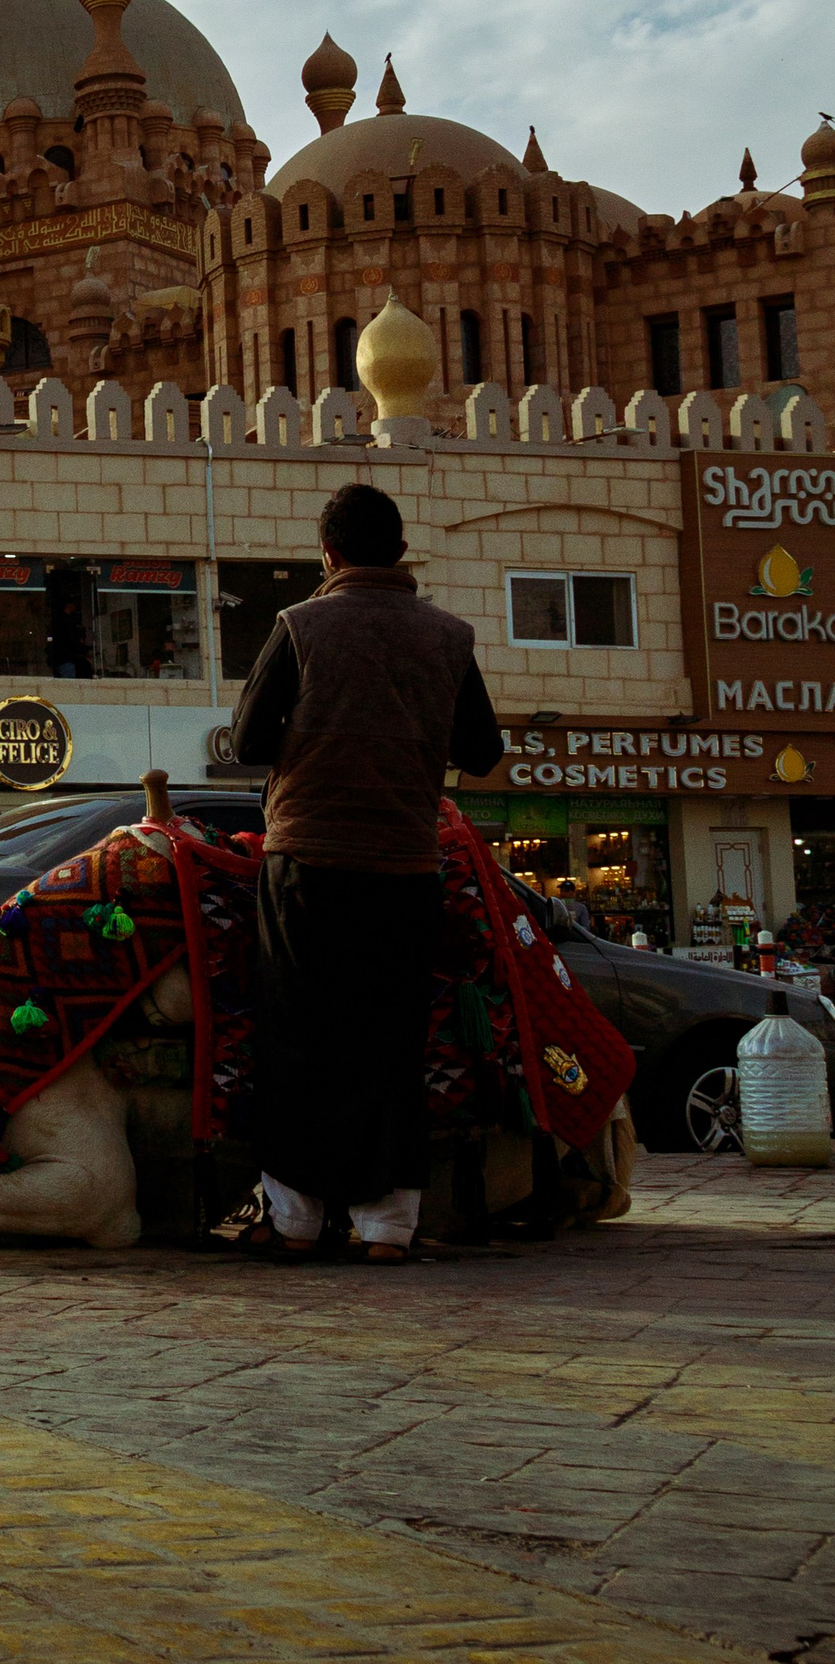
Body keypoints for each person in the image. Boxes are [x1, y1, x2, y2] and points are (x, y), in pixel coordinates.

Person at [229, 481, 504, 1263]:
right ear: (400, 552)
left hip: (308, 863)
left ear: (329, 554)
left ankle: (296, 1219)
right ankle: (388, 1226)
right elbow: (483, 751)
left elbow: (249, 739)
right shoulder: (449, 637)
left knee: (298, 1036)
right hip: (405, 867)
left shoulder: (301, 625)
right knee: (389, 1041)